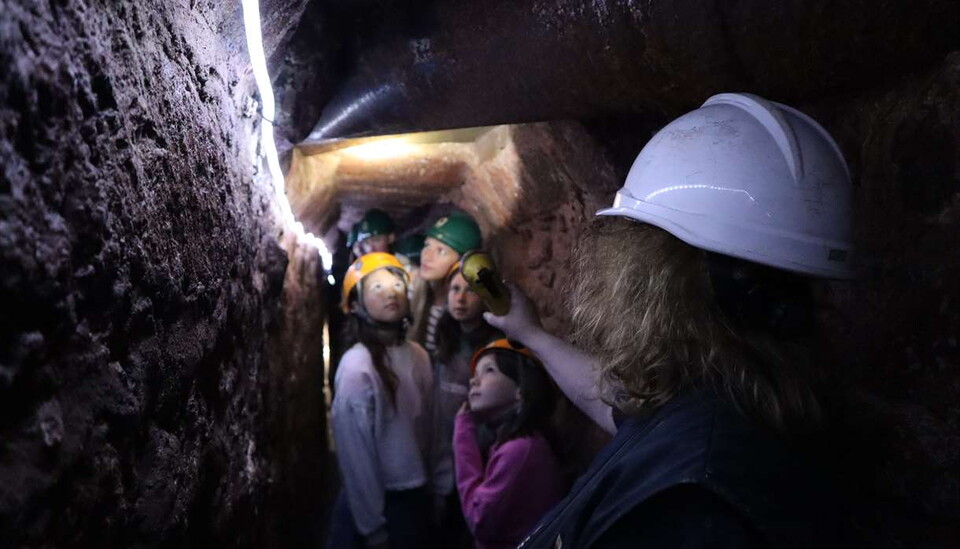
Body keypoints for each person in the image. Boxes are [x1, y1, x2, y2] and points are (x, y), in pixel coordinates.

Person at [484, 93, 853, 547]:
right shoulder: (739, 402)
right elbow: (621, 407)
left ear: (659, 273)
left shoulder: (690, 505)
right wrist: (530, 334)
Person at [328, 253, 438, 549]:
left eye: (398, 285)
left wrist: (439, 485)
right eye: (376, 287)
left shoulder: (420, 356)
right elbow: (355, 455)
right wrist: (373, 528)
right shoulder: (357, 367)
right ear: (354, 304)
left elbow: (432, 428)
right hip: (378, 505)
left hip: (415, 496)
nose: (391, 291)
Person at [454, 340, 567, 549]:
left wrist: (463, 433)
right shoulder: (519, 441)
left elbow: (479, 520)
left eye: (489, 370)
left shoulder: (520, 450)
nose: (473, 381)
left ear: (520, 389)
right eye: (475, 374)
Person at [430, 264, 503, 547]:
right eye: (455, 289)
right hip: (445, 458)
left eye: (471, 291)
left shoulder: (496, 345)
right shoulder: (444, 337)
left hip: (482, 459)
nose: (459, 299)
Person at [409, 212, 482, 353]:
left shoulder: (465, 310)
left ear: (461, 263)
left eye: (441, 251)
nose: (427, 256)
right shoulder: (410, 290)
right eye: (427, 245)